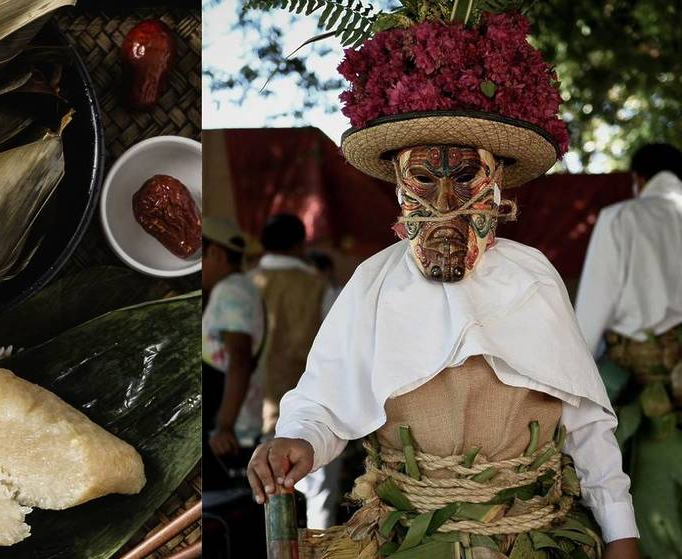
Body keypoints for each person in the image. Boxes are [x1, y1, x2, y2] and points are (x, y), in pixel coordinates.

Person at [247, 6, 639, 557]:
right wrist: (298, 440)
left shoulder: (534, 279)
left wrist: (622, 534)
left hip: (532, 538)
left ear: (497, 185)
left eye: (465, 179)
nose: (445, 205)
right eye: (425, 179)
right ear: (400, 191)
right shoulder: (373, 283)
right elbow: (323, 403)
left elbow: (586, 425)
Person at [575, 143, 682, 556]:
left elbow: (589, 325)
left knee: (646, 497)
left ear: (639, 179)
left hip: (640, 395)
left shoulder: (623, 218)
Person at [248, 214, 340, 530]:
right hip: (310, 413)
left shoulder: (243, 285)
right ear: (301, 245)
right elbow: (337, 353)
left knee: (266, 497)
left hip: (248, 413)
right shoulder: (319, 289)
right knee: (318, 501)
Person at [202, 218, 265, 474]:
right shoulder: (239, 288)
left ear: (216, 253)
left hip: (231, 432)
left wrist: (224, 426)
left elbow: (239, 358)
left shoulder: (231, 292)